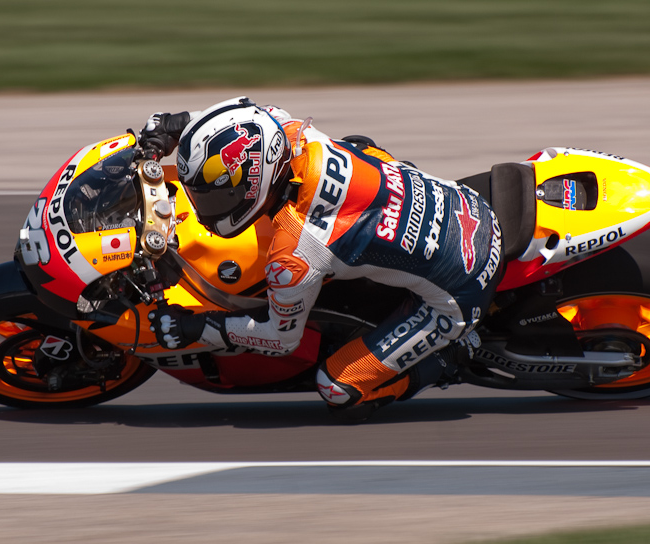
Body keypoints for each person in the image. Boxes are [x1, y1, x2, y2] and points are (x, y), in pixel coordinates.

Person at [142, 97, 503, 422]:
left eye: (219, 196)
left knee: (337, 388)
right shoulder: (287, 131)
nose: (206, 209)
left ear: (253, 184)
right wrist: (176, 125)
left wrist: (198, 328)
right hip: (464, 202)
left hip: (463, 287)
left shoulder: (296, 250)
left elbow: (280, 339)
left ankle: (450, 356)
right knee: (361, 147)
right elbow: (239, 121)